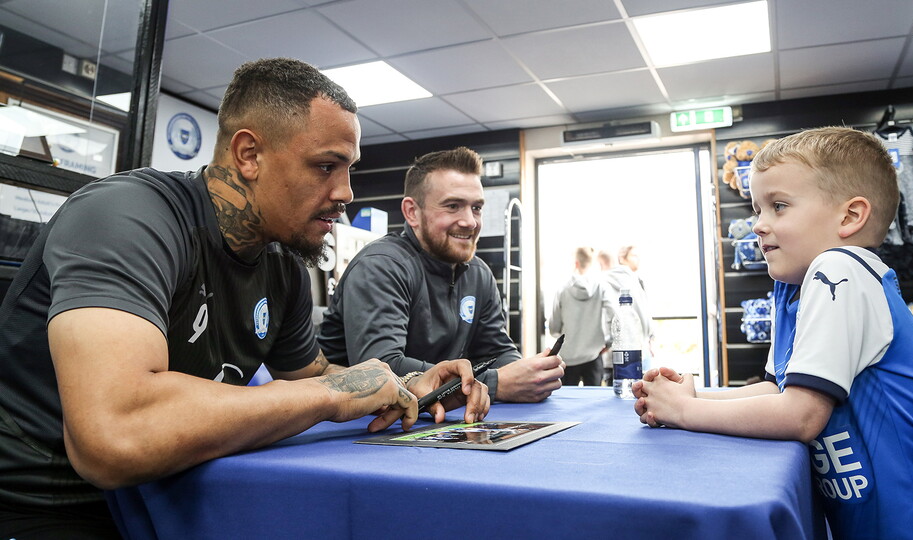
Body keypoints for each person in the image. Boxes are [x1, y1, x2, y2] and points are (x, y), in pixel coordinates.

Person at [0, 58, 489, 538]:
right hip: (49, 503)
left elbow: (314, 374)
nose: (345, 191)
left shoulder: (283, 265)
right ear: (249, 155)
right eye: (325, 166)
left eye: (348, 168)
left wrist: (407, 385)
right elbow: (114, 436)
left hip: (182, 489)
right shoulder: (127, 217)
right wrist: (330, 396)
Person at [633, 127, 913, 539]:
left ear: (850, 216)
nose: (758, 225)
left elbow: (801, 415)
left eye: (779, 207)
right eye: (757, 210)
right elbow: (778, 391)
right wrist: (691, 394)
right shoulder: (794, 285)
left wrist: (683, 412)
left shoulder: (840, 269)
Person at [317, 147, 564, 402]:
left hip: (429, 416)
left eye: (476, 208)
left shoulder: (479, 274)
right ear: (412, 212)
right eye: (453, 206)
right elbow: (379, 368)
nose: (470, 221)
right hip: (354, 425)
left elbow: (497, 350)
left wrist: (528, 376)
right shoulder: (381, 266)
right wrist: (494, 383)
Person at [548, 247, 616, 386]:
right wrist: (609, 342)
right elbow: (614, 315)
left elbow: (554, 326)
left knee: (568, 401)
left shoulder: (563, 289)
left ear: (576, 263)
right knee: (595, 402)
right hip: (593, 356)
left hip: (568, 358)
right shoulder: (601, 287)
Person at [603, 245, 655, 354]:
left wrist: (650, 338)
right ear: (622, 258)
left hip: (640, 346)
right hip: (625, 348)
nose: (638, 259)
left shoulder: (637, 280)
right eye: (634, 255)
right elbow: (608, 314)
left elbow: (644, 313)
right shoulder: (610, 281)